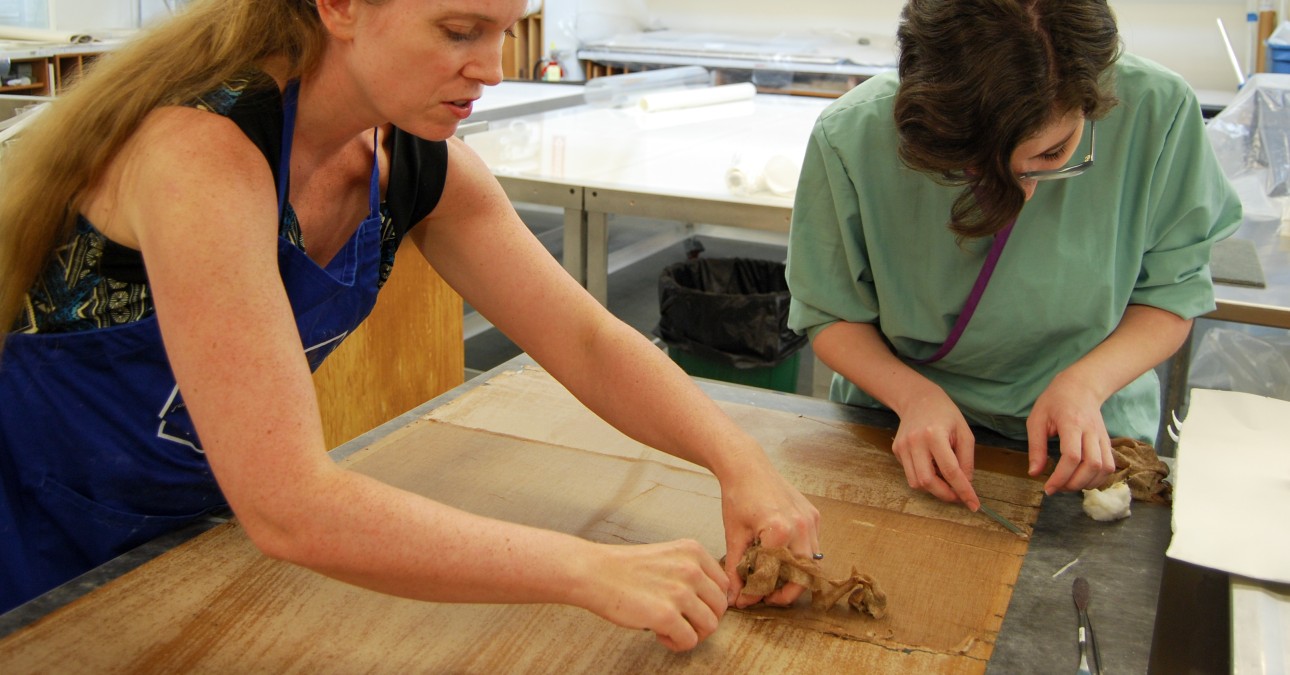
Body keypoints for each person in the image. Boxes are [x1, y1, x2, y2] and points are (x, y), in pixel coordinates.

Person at [0, 0, 821, 649]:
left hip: (186, 534)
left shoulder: (411, 167)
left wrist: (736, 457)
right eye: (459, 31)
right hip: (32, 546)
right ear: (340, 5)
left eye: (502, 31)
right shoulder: (200, 157)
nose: (493, 69)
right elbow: (289, 503)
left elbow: (587, 340)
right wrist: (586, 568)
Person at [786, 0, 1241, 510]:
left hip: (1086, 439)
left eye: (1053, 153)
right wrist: (912, 397)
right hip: (901, 428)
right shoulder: (852, 135)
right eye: (972, 166)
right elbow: (830, 312)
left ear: (1095, 97)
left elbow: (1170, 295)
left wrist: (1087, 385)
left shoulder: (1158, 112)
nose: (1021, 196)